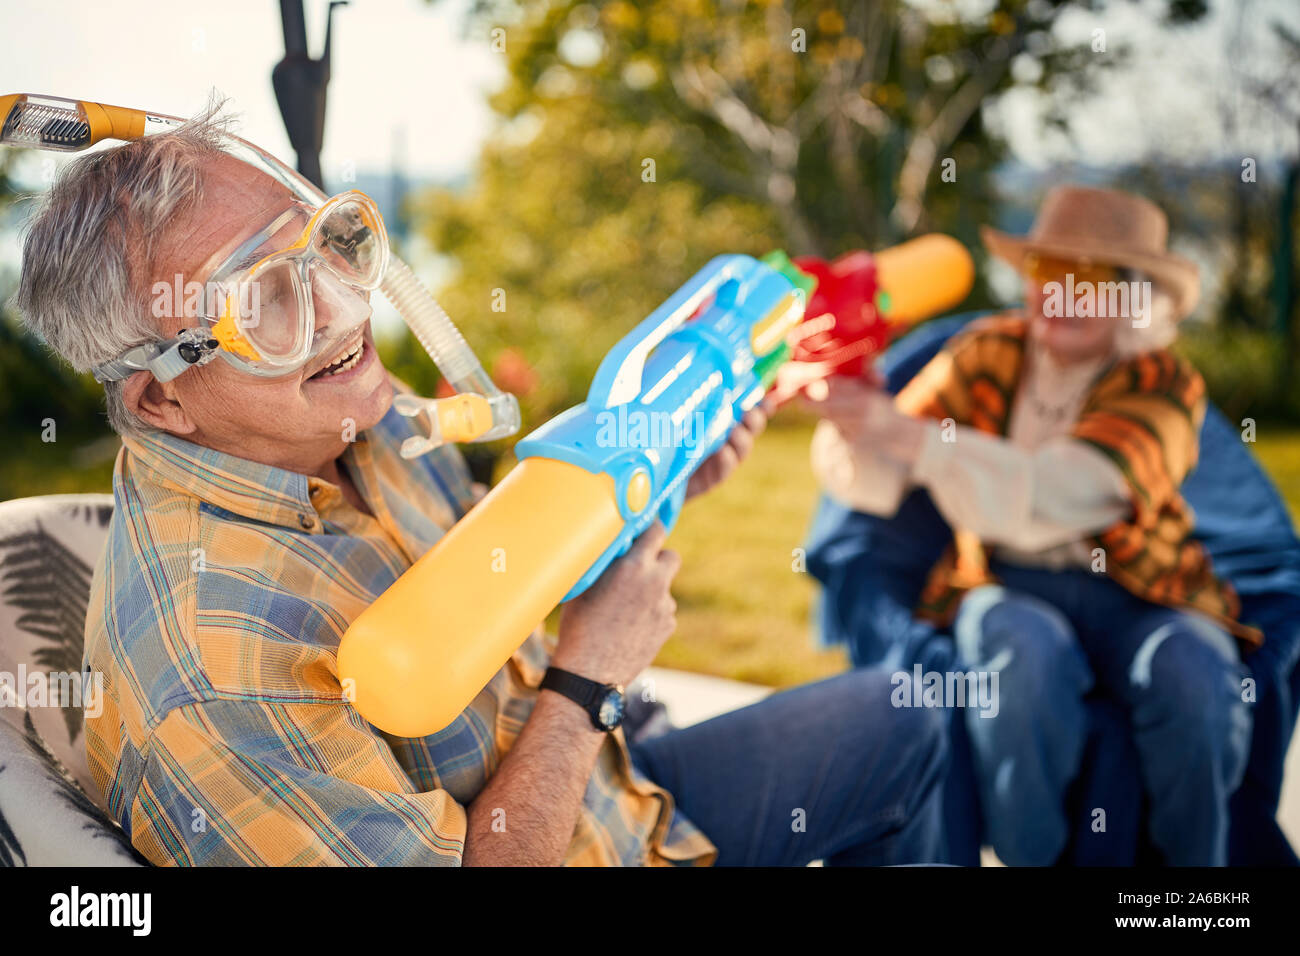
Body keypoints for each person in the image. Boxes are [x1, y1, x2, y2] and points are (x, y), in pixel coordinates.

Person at [14, 110, 947, 866]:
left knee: (912, 719)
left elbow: (509, 568)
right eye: (264, 301)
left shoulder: (341, 421)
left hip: (614, 791)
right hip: (572, 797)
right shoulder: (212, 681)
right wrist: (589, 679)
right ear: (160, 398)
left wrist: (657, 485)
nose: (346, 307)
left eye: (328, 246)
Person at [805, 185, 1257, 866]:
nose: (1062, 293)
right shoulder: (986, 350)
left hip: (1143, 593)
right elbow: (873, 480)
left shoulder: (1164, 384)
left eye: (1091, 277)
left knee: (1195, 672)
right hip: (1005, 581)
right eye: (1049, 271)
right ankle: (1030, 859)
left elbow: (1065, 491)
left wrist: (910, 440)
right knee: (1013, 645)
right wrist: (854, 415)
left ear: (1135, 299)